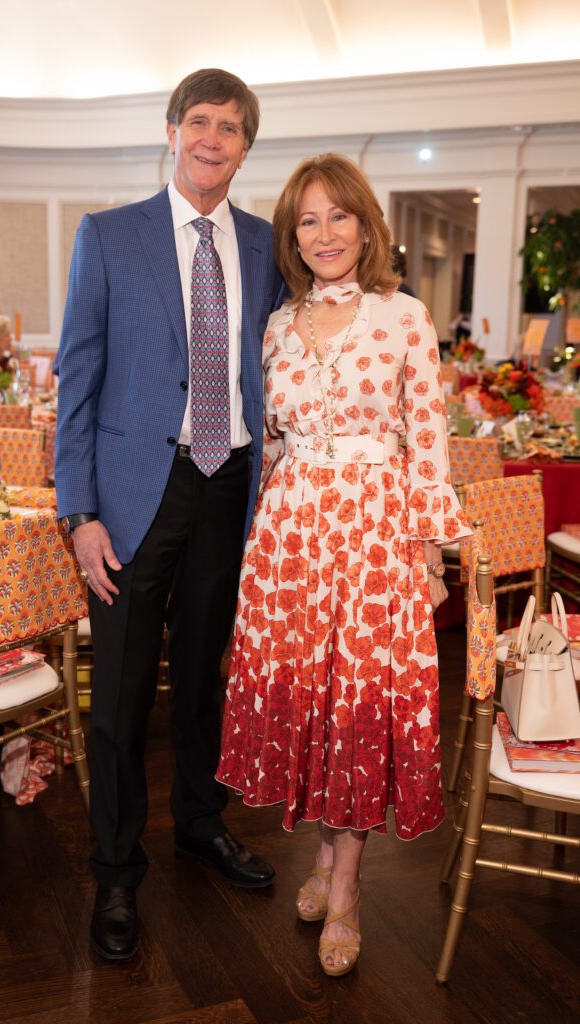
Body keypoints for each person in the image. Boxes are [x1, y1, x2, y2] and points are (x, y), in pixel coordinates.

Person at [216, 154, 471, 977]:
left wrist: (426, 550)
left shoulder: (403, 316)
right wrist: (255, 547)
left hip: (373, 534)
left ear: (365, 226)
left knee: (358, 701)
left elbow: (427, 439)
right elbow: (270, 446)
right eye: (307, 221)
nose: (324, 234)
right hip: (290, 539)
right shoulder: (274, 327)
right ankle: (323, 857)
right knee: (311, 701)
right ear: (292, 238)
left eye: (338, 216)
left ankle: (348, 885)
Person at [54, 68, 283, 962]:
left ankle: (199, 821)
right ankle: (115, 870)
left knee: (200, 677)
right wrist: (79, 511)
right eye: (199, 121)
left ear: (245, 146)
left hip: (229, 486)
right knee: (117, 694)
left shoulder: (265, 245)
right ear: (171, 129)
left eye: (229, 127)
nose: (211, 138)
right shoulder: (108, 234)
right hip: (129, 497)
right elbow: (78, 380)